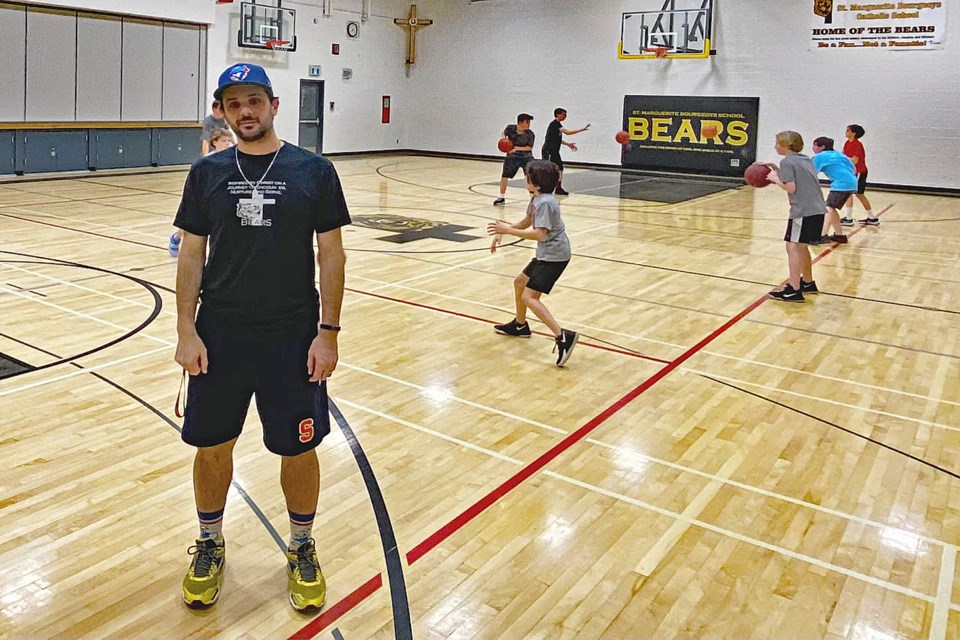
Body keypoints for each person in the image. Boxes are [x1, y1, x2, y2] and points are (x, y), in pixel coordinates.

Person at [174, 63, 350, 612]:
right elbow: (192, 254)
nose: (244, 111)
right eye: (233, 104)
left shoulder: (313, 171)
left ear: (273, 104)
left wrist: (328, 333)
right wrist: (184, 329)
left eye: (254, 100)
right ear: (221, 111)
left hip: (292, 337)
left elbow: (331, 254)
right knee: (211, 445)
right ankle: (209, 542)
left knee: (298, 448)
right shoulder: (207, 174)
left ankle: (301, 545)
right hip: (219, 335)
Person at [487, 160, 579, 366]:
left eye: (527, 177)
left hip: (554, 256)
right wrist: (504, 230)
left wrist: (509, 230)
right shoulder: (537, 198)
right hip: (547, 254)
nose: (525, 179)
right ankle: (520, 325)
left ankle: (563, 336)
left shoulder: (546, 203)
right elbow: (526, 222)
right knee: (520, 282)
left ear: (534, 183)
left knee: (529, 296)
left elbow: (539, 234)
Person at [765, 131, 826, 302]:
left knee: (792, 247)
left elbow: (791, 187)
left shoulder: (787, 161)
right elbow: (796, 177)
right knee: (801, 246)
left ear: (786, 145)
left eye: (777, 143)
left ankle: (793, 289)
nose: (775, 146)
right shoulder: (804, 159)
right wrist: (776, 168)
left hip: (802, 211)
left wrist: (775, 179)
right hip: (817, 209)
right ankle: (807, 282)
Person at [170, 128, 236, 257]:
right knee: (193, 223)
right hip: (205, 196)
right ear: (215, 142)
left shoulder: (234, 159)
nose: (228, 144)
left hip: (223, 197)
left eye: (229, 141)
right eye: (224, 141)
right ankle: (176, 237)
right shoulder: (207, 162)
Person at [811, 136, 856, 244]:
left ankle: (821, 236)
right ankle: (839, 235)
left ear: (822, 147)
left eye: (815, 145)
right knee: (832, 208)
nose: (813, 147)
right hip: (851, 181)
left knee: (828, 209)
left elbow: (811, 172)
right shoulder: (838, 154)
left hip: (842, 183)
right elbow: (853, 167)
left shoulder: (820, 157)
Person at [541, 108, 590, 196]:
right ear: (558, 114)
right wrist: (581, 129)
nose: (565, 116)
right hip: (548, 151)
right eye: (564, 114)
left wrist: (568, 144)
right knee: (548, 169)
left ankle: (558, 188)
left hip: (554, 151)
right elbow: (567, 132)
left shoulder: (557, 125)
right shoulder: (555, 124)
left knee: (560, 168)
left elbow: (556, 139)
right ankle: (543, 187)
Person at [493, 113, 535, 206]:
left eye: (529, 122)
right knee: (505, 176)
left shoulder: (530, 134)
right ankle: (501, 197)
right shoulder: (510, 128)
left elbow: (529, 148)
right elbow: (504, 133)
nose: (529, 124)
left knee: (530, 177)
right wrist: (504, 139)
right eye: (527, 122)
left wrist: (516, 148)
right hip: (512, 157)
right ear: (520, 122)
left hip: (526, 157)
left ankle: (533, 199)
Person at [841, 124, 877, 225]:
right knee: (850, 193)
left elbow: (855, 161)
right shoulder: (847, 143)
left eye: (848, 130)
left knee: (858, 194)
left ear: (854, 133)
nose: (846, 132)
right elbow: (844, 155)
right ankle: (850, 217)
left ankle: (870, 217)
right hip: (852, 172)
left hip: (859, 172)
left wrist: (844, 159)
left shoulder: (857, 144)